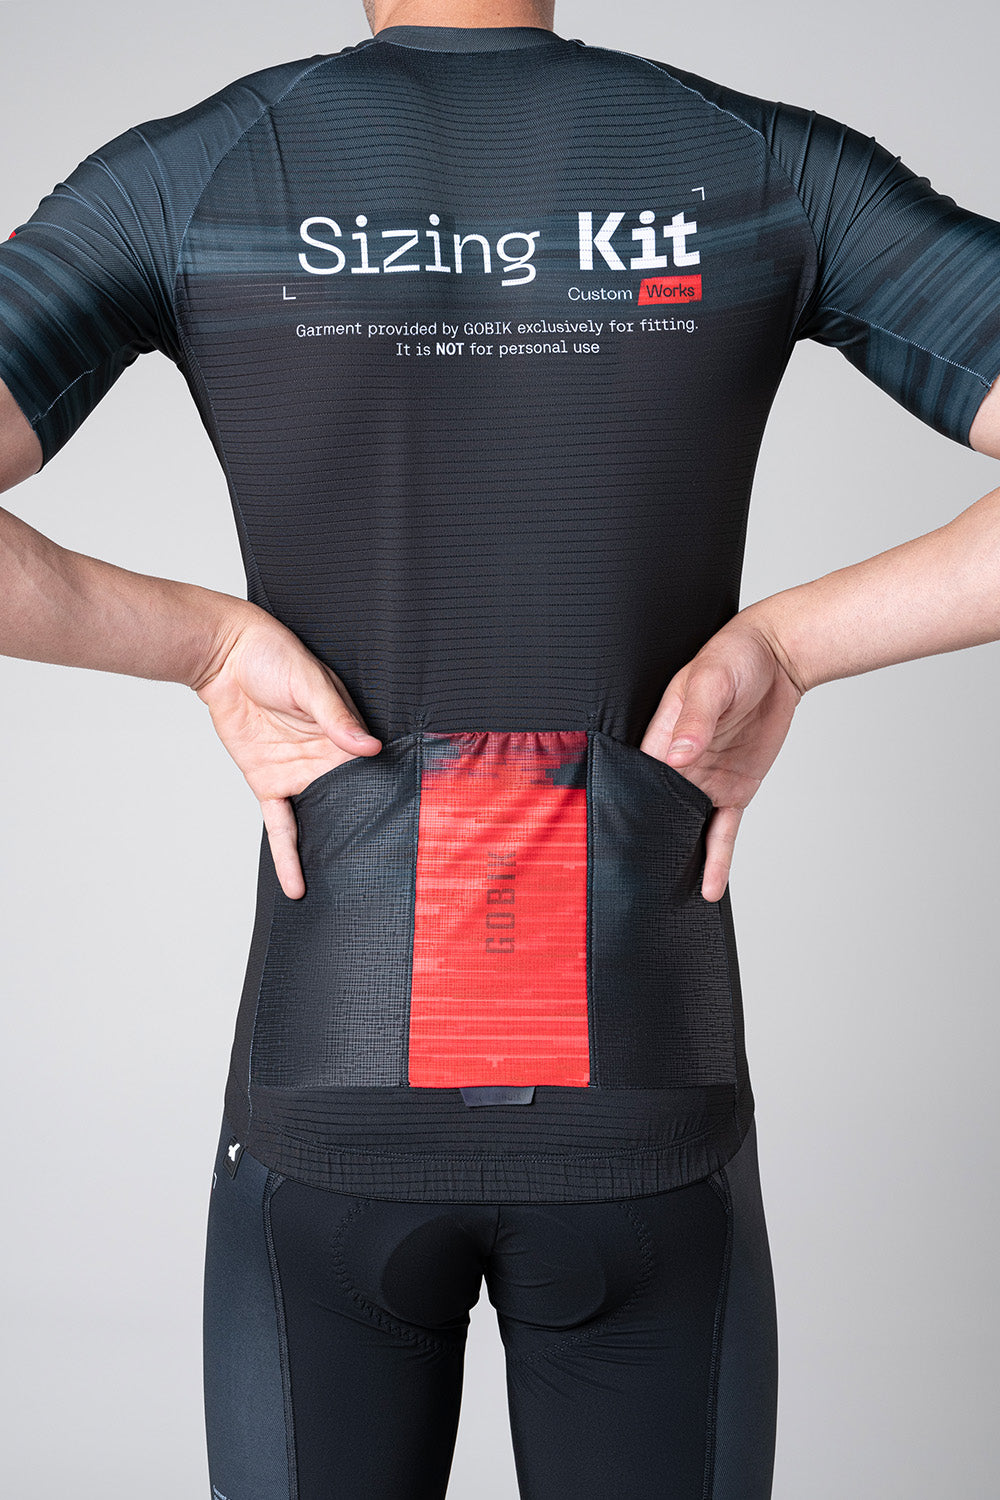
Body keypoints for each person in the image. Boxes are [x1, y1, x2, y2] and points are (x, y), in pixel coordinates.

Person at [1, 0, 998, 1495]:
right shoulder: (757, 166)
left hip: (330, 1094)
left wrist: (196, 643)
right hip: (642, 1088)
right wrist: (793, 646)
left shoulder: (195, 175)